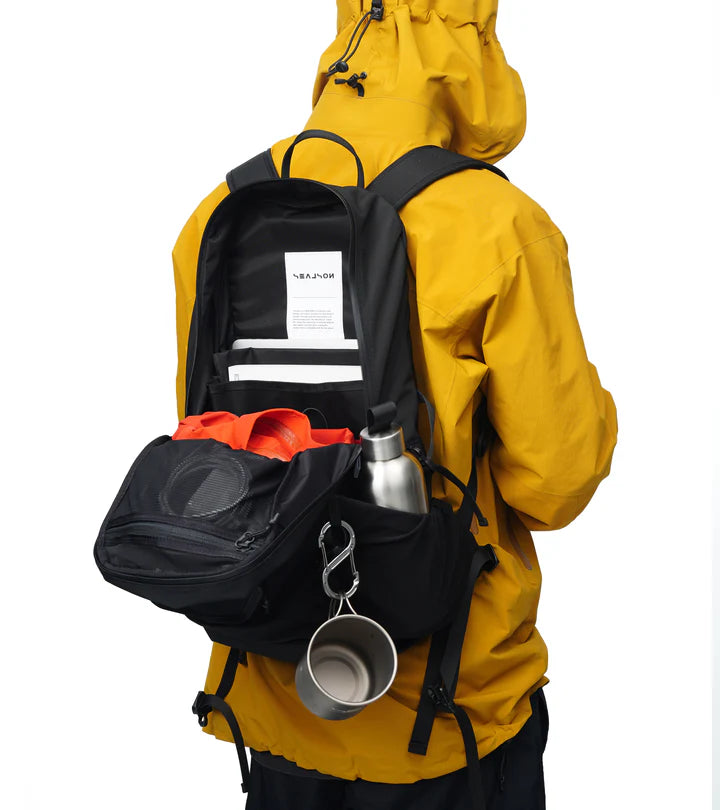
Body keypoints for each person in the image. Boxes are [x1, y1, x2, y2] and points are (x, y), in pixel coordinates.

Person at [172, 1, 618, 807]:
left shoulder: (217, 213)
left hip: (278, 698)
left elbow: (211, 441)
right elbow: (556, 484)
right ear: (472, 46)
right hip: (445, 716)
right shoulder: (494, 223)